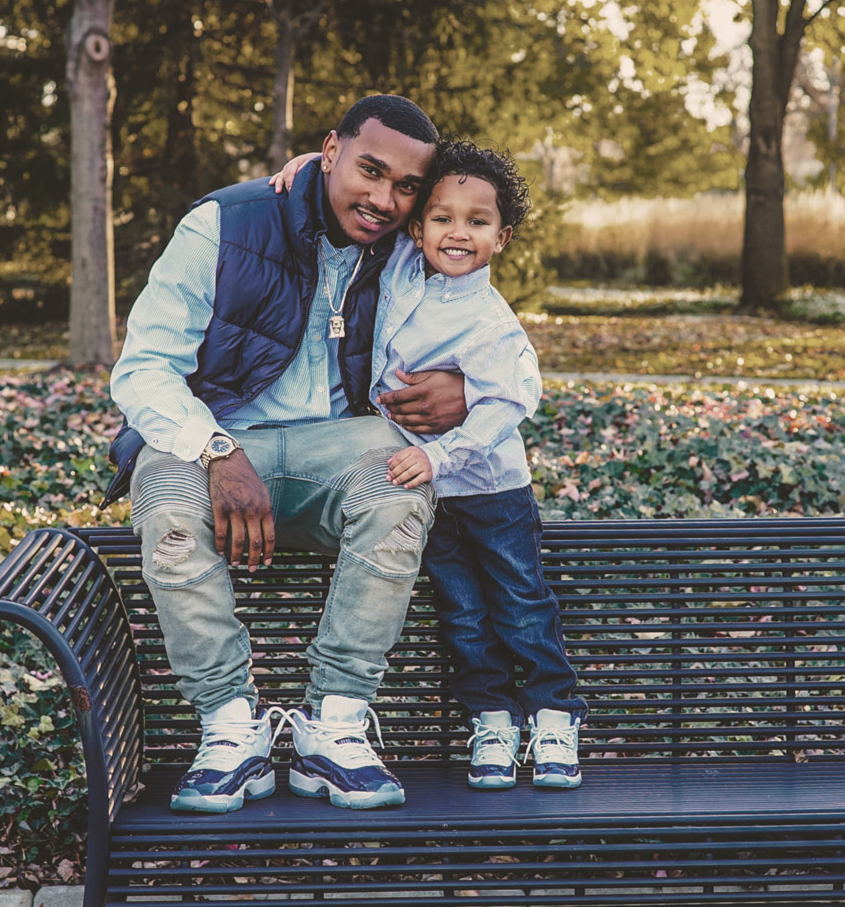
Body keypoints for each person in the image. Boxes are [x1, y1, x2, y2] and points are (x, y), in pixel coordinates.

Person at [108, 94, 472, 815]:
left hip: (336, 451)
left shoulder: (411, 242)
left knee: (399, 489)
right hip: (208, 434)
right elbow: (143, 368)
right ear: (329, 148)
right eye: (368, 169)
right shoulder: (226, 222)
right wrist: (216, 447)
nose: (384, 198)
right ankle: (229, 730)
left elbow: (483, 303)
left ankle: (332, 729)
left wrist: (464, 388)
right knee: (168, 507)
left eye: (405, 186)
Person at [376, 142, 586, 789]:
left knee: (521, 606)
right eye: (442, 217)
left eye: (477, 221)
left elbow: (507, 403)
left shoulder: (491, 320)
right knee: (463, 615)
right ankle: (492, 717)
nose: (457, 232)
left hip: (492, 493)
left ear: (502, 236)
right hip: (433, 498)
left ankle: (554, 713)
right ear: (417, 229)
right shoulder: (405, 272)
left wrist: (435, 456)